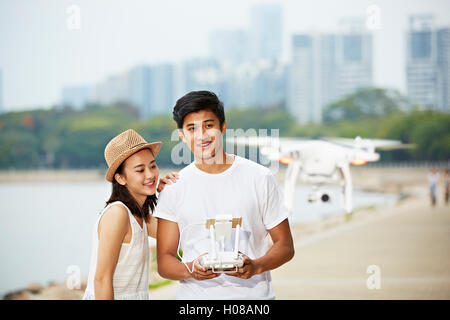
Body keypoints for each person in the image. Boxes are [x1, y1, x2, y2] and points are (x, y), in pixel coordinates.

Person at [154, 90, 295, 299]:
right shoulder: (174, 187)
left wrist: (256, 266)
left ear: (223, 127)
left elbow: (285, 246)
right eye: (192, 128)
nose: (201, 135)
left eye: (209, 126)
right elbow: (165, 261)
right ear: (182, 136)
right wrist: (191, 269)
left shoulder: (260, 177)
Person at [83, 129, 178, 300]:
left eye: (153, 166)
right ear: (120, 178)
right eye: (140, 170)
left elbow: (176, 232)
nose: (150, 175)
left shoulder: (141, 216)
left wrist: (168, 193)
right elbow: (101, 279)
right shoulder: (118, 213)